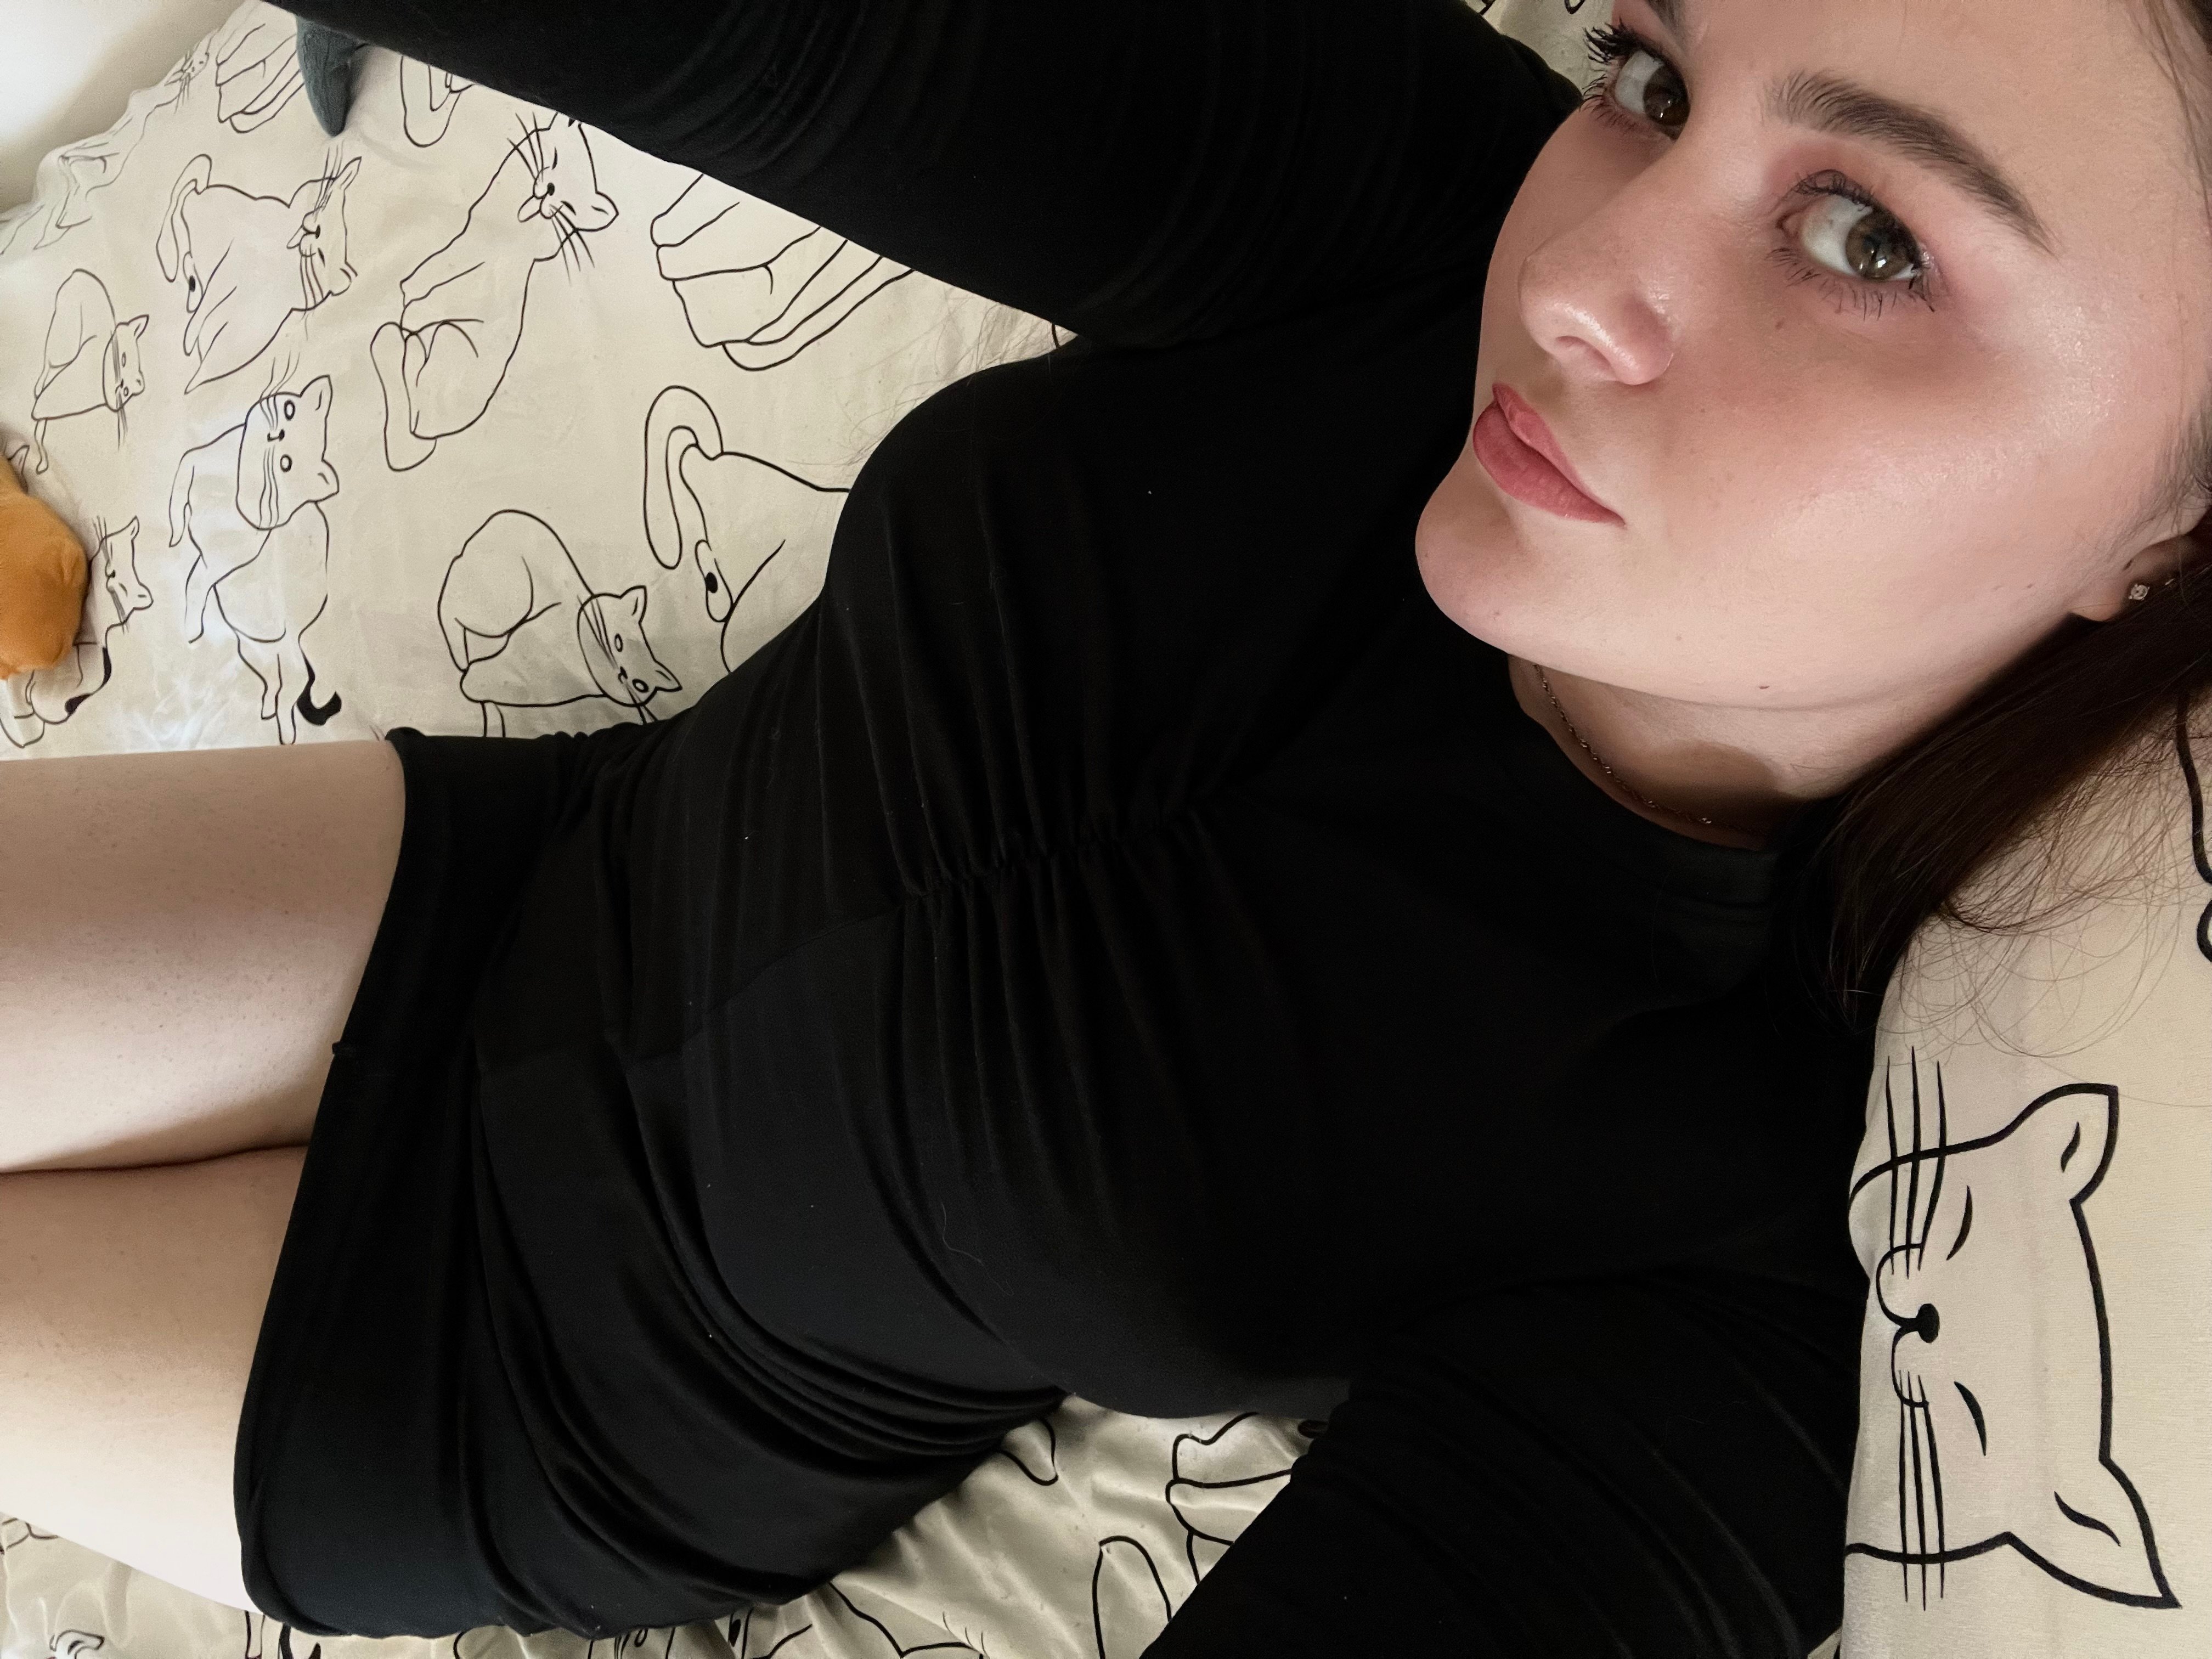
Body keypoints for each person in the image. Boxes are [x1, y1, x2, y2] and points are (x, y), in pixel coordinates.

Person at [4, 0, 2210, 1650]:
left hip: (511, 1390)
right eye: (1651, 77)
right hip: (494, 881)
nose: (1574, 276)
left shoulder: (1765, 1220)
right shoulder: (1418, 210)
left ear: (2177, 529)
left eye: (1864, 235)